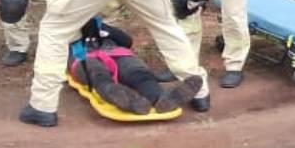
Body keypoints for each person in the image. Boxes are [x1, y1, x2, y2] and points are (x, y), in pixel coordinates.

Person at [18, 0, 209, 127]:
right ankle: (200, 92)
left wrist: (76, 29)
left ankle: (42, 106)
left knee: (53, 30)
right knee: (166, 27)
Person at [69, 18, 203, 115]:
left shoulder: (100, 26)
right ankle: (126, 100)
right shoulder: (62, 29)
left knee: (138, 72)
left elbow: (127, 41)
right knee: (97, 74)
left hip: (115, 52)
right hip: (83, 56)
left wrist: (103, 28)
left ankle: (163, 98)